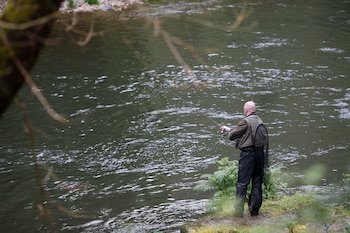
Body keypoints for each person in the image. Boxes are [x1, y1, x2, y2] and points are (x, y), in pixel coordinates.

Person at [220, 101, 267, 217]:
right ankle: (254, 210)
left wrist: (226, 130)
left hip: (248, 156)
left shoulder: (245, 121)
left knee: (242, 183)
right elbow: (247, 133)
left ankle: (238, 212)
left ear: (246, 111)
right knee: (256, 183)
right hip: (260, 155)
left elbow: (232, 136)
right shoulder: (259, 120)